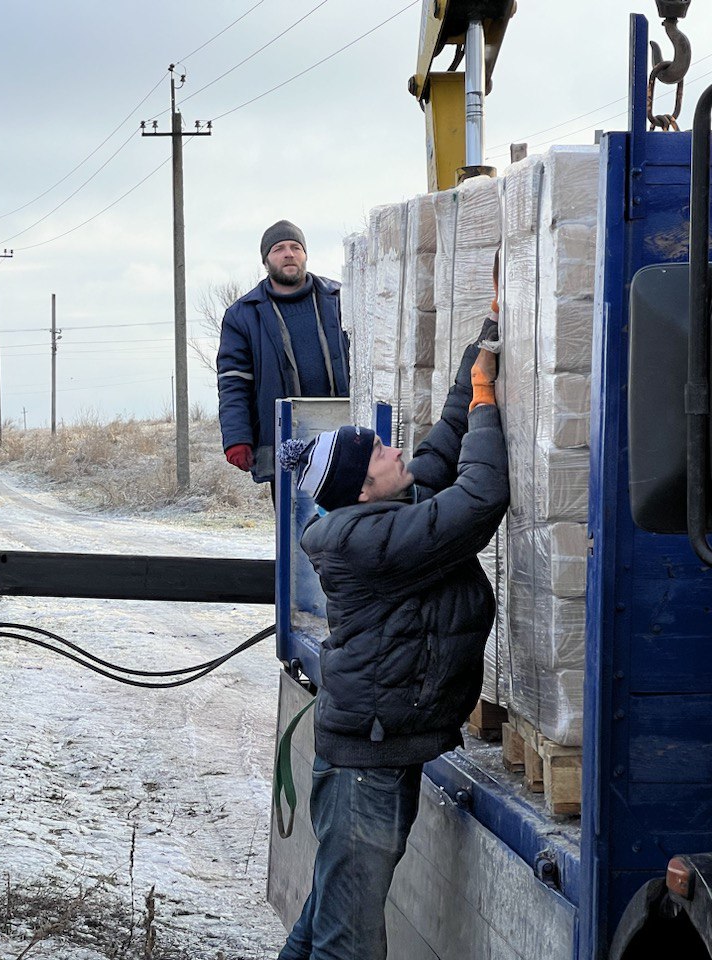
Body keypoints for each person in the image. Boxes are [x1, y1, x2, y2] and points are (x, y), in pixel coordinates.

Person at [275, 310, 507, 960]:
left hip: (374, 756)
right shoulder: (371, 542)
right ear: (362, 489)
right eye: (380, 454)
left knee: (326, 921)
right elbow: (482, 497)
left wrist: (480, 350)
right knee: (347, 945)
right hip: (362, 772)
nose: (395, 450)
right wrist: (489, 402)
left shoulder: (380, 515)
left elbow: (440, 448)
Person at [217, 219, 349, 488]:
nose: (289, 253)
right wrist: (237, 437)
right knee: (294, 522)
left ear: (305, 255)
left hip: (342, 432)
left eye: (295, 247)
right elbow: (233, 382)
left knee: (348, 520)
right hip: (283, 438)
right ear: (265, 261)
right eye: (278, 248)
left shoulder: (340, 299)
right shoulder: (243, 315)